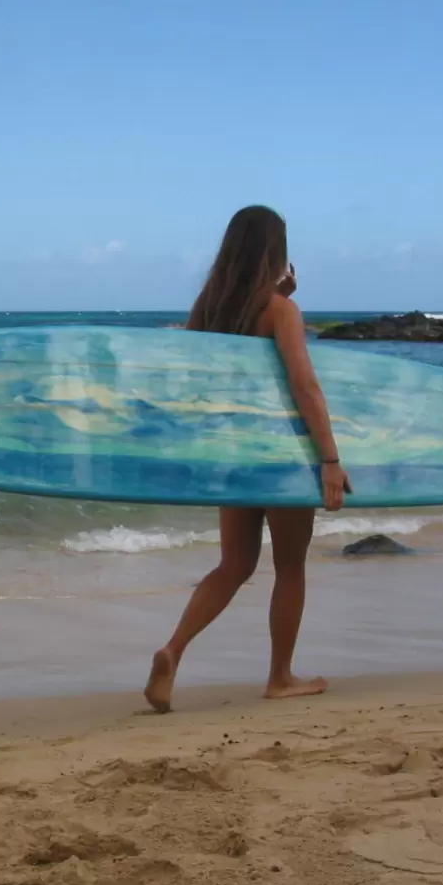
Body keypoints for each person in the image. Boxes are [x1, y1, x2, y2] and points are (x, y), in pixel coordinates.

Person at [145, 206, 351, 713]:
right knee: (290, 566)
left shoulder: (207, 310)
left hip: (229, 458)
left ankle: (173, 650)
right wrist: (329, 459)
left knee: (234, 564)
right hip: (281, 458)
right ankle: (280, 677)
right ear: (275, 254)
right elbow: (304, 385)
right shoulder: (280, 313)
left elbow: (197, 382)